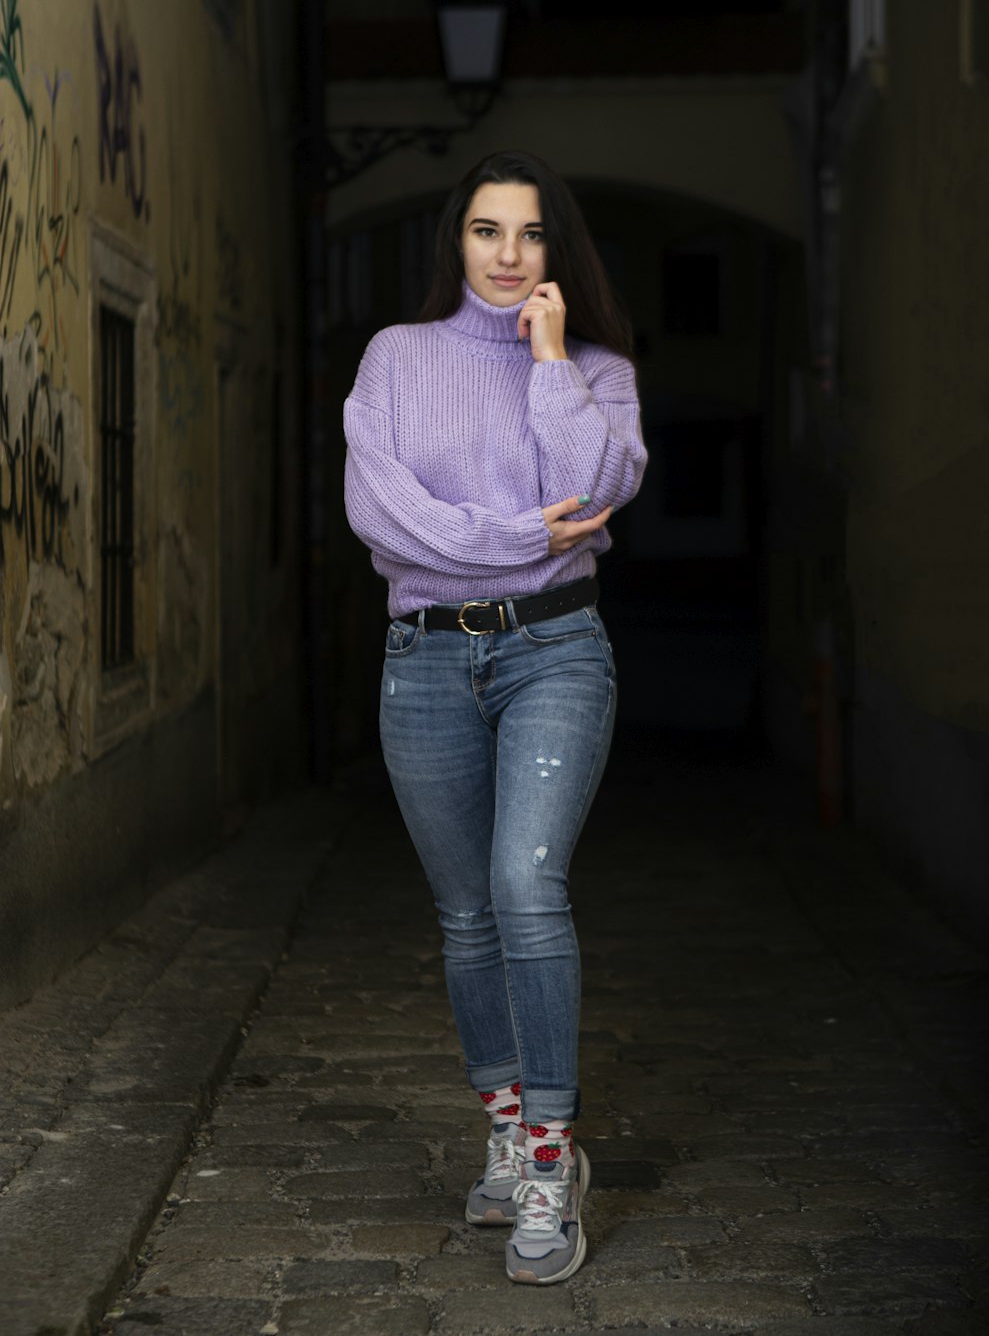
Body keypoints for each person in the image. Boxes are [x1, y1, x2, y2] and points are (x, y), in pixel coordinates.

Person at [343, 149, 647, 1284]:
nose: (509, 255)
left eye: (529, 235)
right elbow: (383, 519)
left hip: (556, 649)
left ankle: (550, 1157)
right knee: (466, 914)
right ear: (455, 242)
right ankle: (506, 1121)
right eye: (486, 232)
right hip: (422, 659)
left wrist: (552, 362)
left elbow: (598, 486)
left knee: (526, 886)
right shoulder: (395, 359)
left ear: (556, 251)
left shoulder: (598, 371)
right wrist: (526, 535)